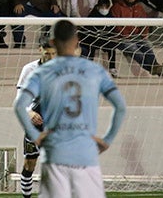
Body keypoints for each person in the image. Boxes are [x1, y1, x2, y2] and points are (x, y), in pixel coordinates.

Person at [13, 19, 127, 198]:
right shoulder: (94, 70)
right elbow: (120, 106)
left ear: (53, 43)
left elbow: (18, 105)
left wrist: (36, 136)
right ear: (76, 42)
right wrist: (107, 139)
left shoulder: (44, 73)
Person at [15, 40, 57, 198]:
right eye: (47, 53)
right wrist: (29, 112)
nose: (51, 57)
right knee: (30, 163)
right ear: (40, 49)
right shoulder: (29, 69)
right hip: (35, 122)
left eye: (54, 53)